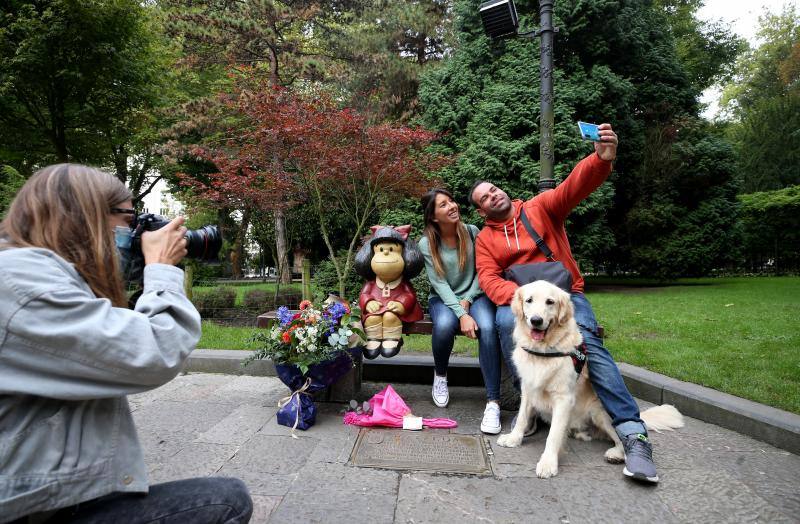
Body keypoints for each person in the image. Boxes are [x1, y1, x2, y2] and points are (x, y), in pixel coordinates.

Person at [0, 164, 253, 523]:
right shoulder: (22, 282)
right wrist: (162, 266)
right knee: (227, 501)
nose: (134, 232)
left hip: (39, 499)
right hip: (24, 513)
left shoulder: (30, 273)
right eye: (128, 218)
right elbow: (156, 351)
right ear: (87, 216)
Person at [469, 124, 662, 483]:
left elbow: (573, 188)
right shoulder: (486, 240)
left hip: (565, 297)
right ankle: (529, 412)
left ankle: (633, 433)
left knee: (587, 341)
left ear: (502, 192)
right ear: (481, 211)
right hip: (524, 305)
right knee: (506, 323)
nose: (492, 196)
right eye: (484, 198)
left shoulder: (540, 208)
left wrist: (601, 160)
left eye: (493, 190)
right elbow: (489, 278)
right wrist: (523, 305)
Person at [418, 189, 504, 434]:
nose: (452, 206)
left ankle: (493, 402)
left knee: (488, 327)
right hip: (443, 299)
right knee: (444, 326)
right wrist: (461, 313)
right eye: (444, 205)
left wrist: (467, 301)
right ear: (433, 216)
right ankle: (441, 376)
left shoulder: (472, 232)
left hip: (475, 295)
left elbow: (483, 270)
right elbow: (439, 284)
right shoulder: (427, 243)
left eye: (452, 201)